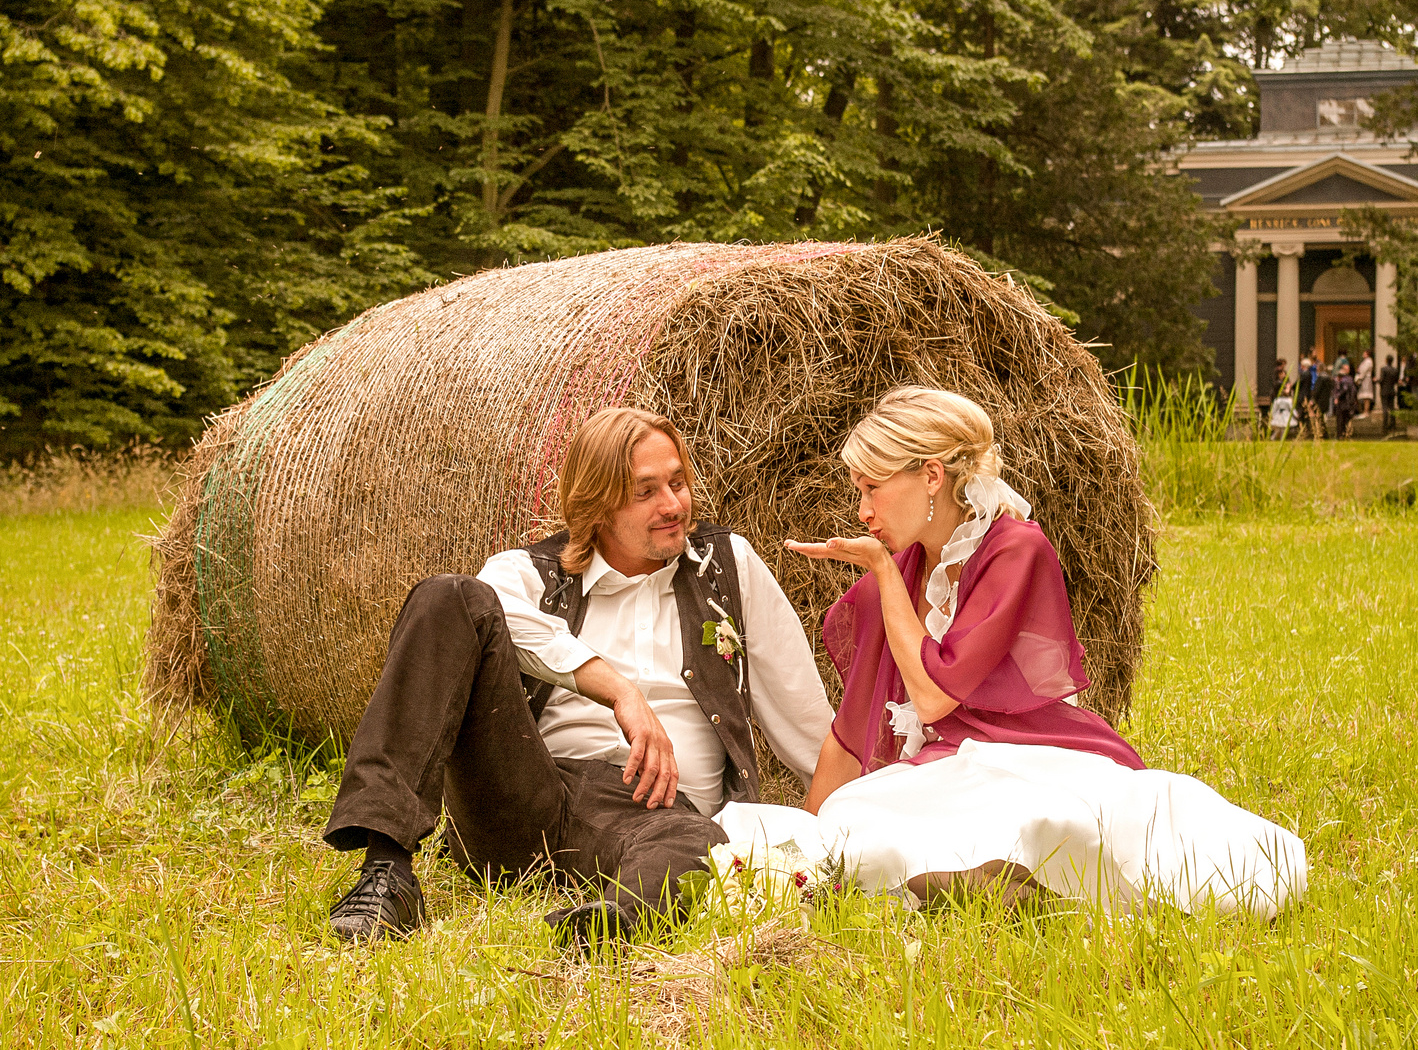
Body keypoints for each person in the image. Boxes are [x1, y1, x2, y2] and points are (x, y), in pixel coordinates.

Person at [715, 388, 1306, 917]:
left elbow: (935, 694)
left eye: (872, 488)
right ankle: (990, 886)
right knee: (853, 822)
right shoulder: (892, 580)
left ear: (929, 476)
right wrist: (817, 842)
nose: (862, 511)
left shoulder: (1014, 550)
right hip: (943, 770)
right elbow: (849, 735)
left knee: (1063, 823)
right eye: (858, 492)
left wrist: (880, 571)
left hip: (1024, 755)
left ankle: (999, 880)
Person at [322, 407, 834, 944]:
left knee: (699, 841)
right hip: (527, 796)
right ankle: (386, 870)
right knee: (446, 597)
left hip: (660, 813)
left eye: (678, 483)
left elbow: (803, 713)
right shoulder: (530, 572)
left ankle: (611, 920)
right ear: (598, 506)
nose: (673, 505)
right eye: (646, 492)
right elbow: (477, 605)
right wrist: (619, 691)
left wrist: (841, 829)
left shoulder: (727, 566)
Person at [1334, 368, 1358, 438]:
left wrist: (1337, 397)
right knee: (1346, 419)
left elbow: (1344, 390)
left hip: (1343, 403)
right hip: (1348, 403)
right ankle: (1346, 432)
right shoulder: (1350, 380)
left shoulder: (1343, 382)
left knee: (1340, 419)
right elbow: (1354, 391)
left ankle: (1340, 434)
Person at [1379, 354, 1400, 433]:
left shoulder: (1383, 369)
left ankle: (1384, 426)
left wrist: (1377, 381)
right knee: (1392, 408)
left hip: (1384, 390)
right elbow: (1396, 381)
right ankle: (1393, 425)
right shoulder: (1395, 370)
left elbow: (1381, 380)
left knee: (1385, 408)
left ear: (1386, 360)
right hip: (1391, 390)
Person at [1356, 349, 1375, 416]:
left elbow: (1364, 370)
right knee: (1364, 396)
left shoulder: (1368, 361)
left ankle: (1366, 411)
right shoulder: (1365, 361)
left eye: (1364, 352)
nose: (1363, 353)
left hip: (1366, 379)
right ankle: (1364, 411)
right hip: (1364, 379)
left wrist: (1359, 377)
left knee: (1366, 396)